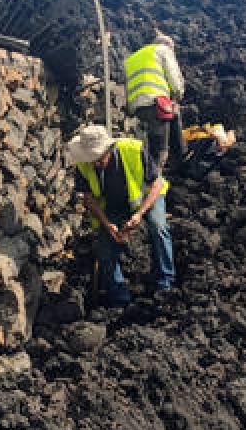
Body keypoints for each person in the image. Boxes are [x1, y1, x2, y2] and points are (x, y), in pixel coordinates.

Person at [68, 124, 174, 306]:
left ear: (110, 148)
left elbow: (156, 184)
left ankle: (165, 283)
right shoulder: (83, 164)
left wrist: (140, 214)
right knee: (103, 247)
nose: (95, 163)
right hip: (114, 206)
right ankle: (119, 297)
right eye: (92, 159)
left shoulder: (133, 150)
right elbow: (89, 198)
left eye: (99, 159)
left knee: (158, 226)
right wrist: (107, 223)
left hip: (147, 196)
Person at [123, 31, 185, 168]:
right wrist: (178, 95)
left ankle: (175, 158)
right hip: (156, 104)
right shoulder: (163, 50)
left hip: (137, 108)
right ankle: (159, 177)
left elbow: (126, 87)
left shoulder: (130, 59)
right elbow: (174, 77)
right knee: (160, 151)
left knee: (148, 146)